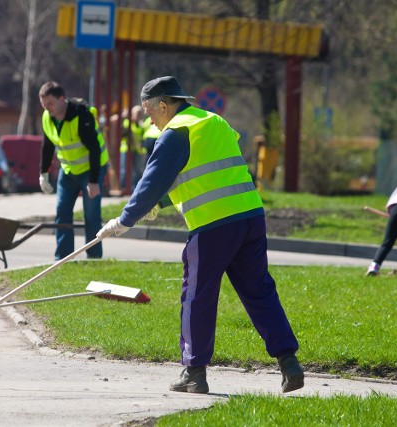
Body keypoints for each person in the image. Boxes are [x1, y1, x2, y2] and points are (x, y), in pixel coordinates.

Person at [97, 76, 303, 394]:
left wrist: (125, 221)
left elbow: (151, 183)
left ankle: (194, 372)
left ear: (163, 105)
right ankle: (289, 363)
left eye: (149, 111)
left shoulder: (175, 134)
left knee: (198, 296)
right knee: (259, 290)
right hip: (250, 215)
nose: (148, 118)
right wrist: (161, 204)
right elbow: (208, 169)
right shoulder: (213, 120)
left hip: (212, 224)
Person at [38, 81, 109, 260]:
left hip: (92, 170)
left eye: (50, 104)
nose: (47, 108)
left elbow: (94, 149)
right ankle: (62, 258)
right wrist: (43, 174)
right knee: (62, 214)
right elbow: (47, 146)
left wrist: (93, 181)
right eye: (44, 105)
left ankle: (94, 259)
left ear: (62, 99)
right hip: (68, 171)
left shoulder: (81, 115)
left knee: (91, 215)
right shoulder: (47, 117)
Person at [120, 105, 146, 191]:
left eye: (140, 113)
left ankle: (134, 188)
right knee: (124, 170)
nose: (139, 115)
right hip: (126, 150)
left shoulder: (141, 125)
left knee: (137, 171)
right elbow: (122, 133)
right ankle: (123, 188)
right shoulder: (127, 122)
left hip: (137, 150)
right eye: (137, 113)